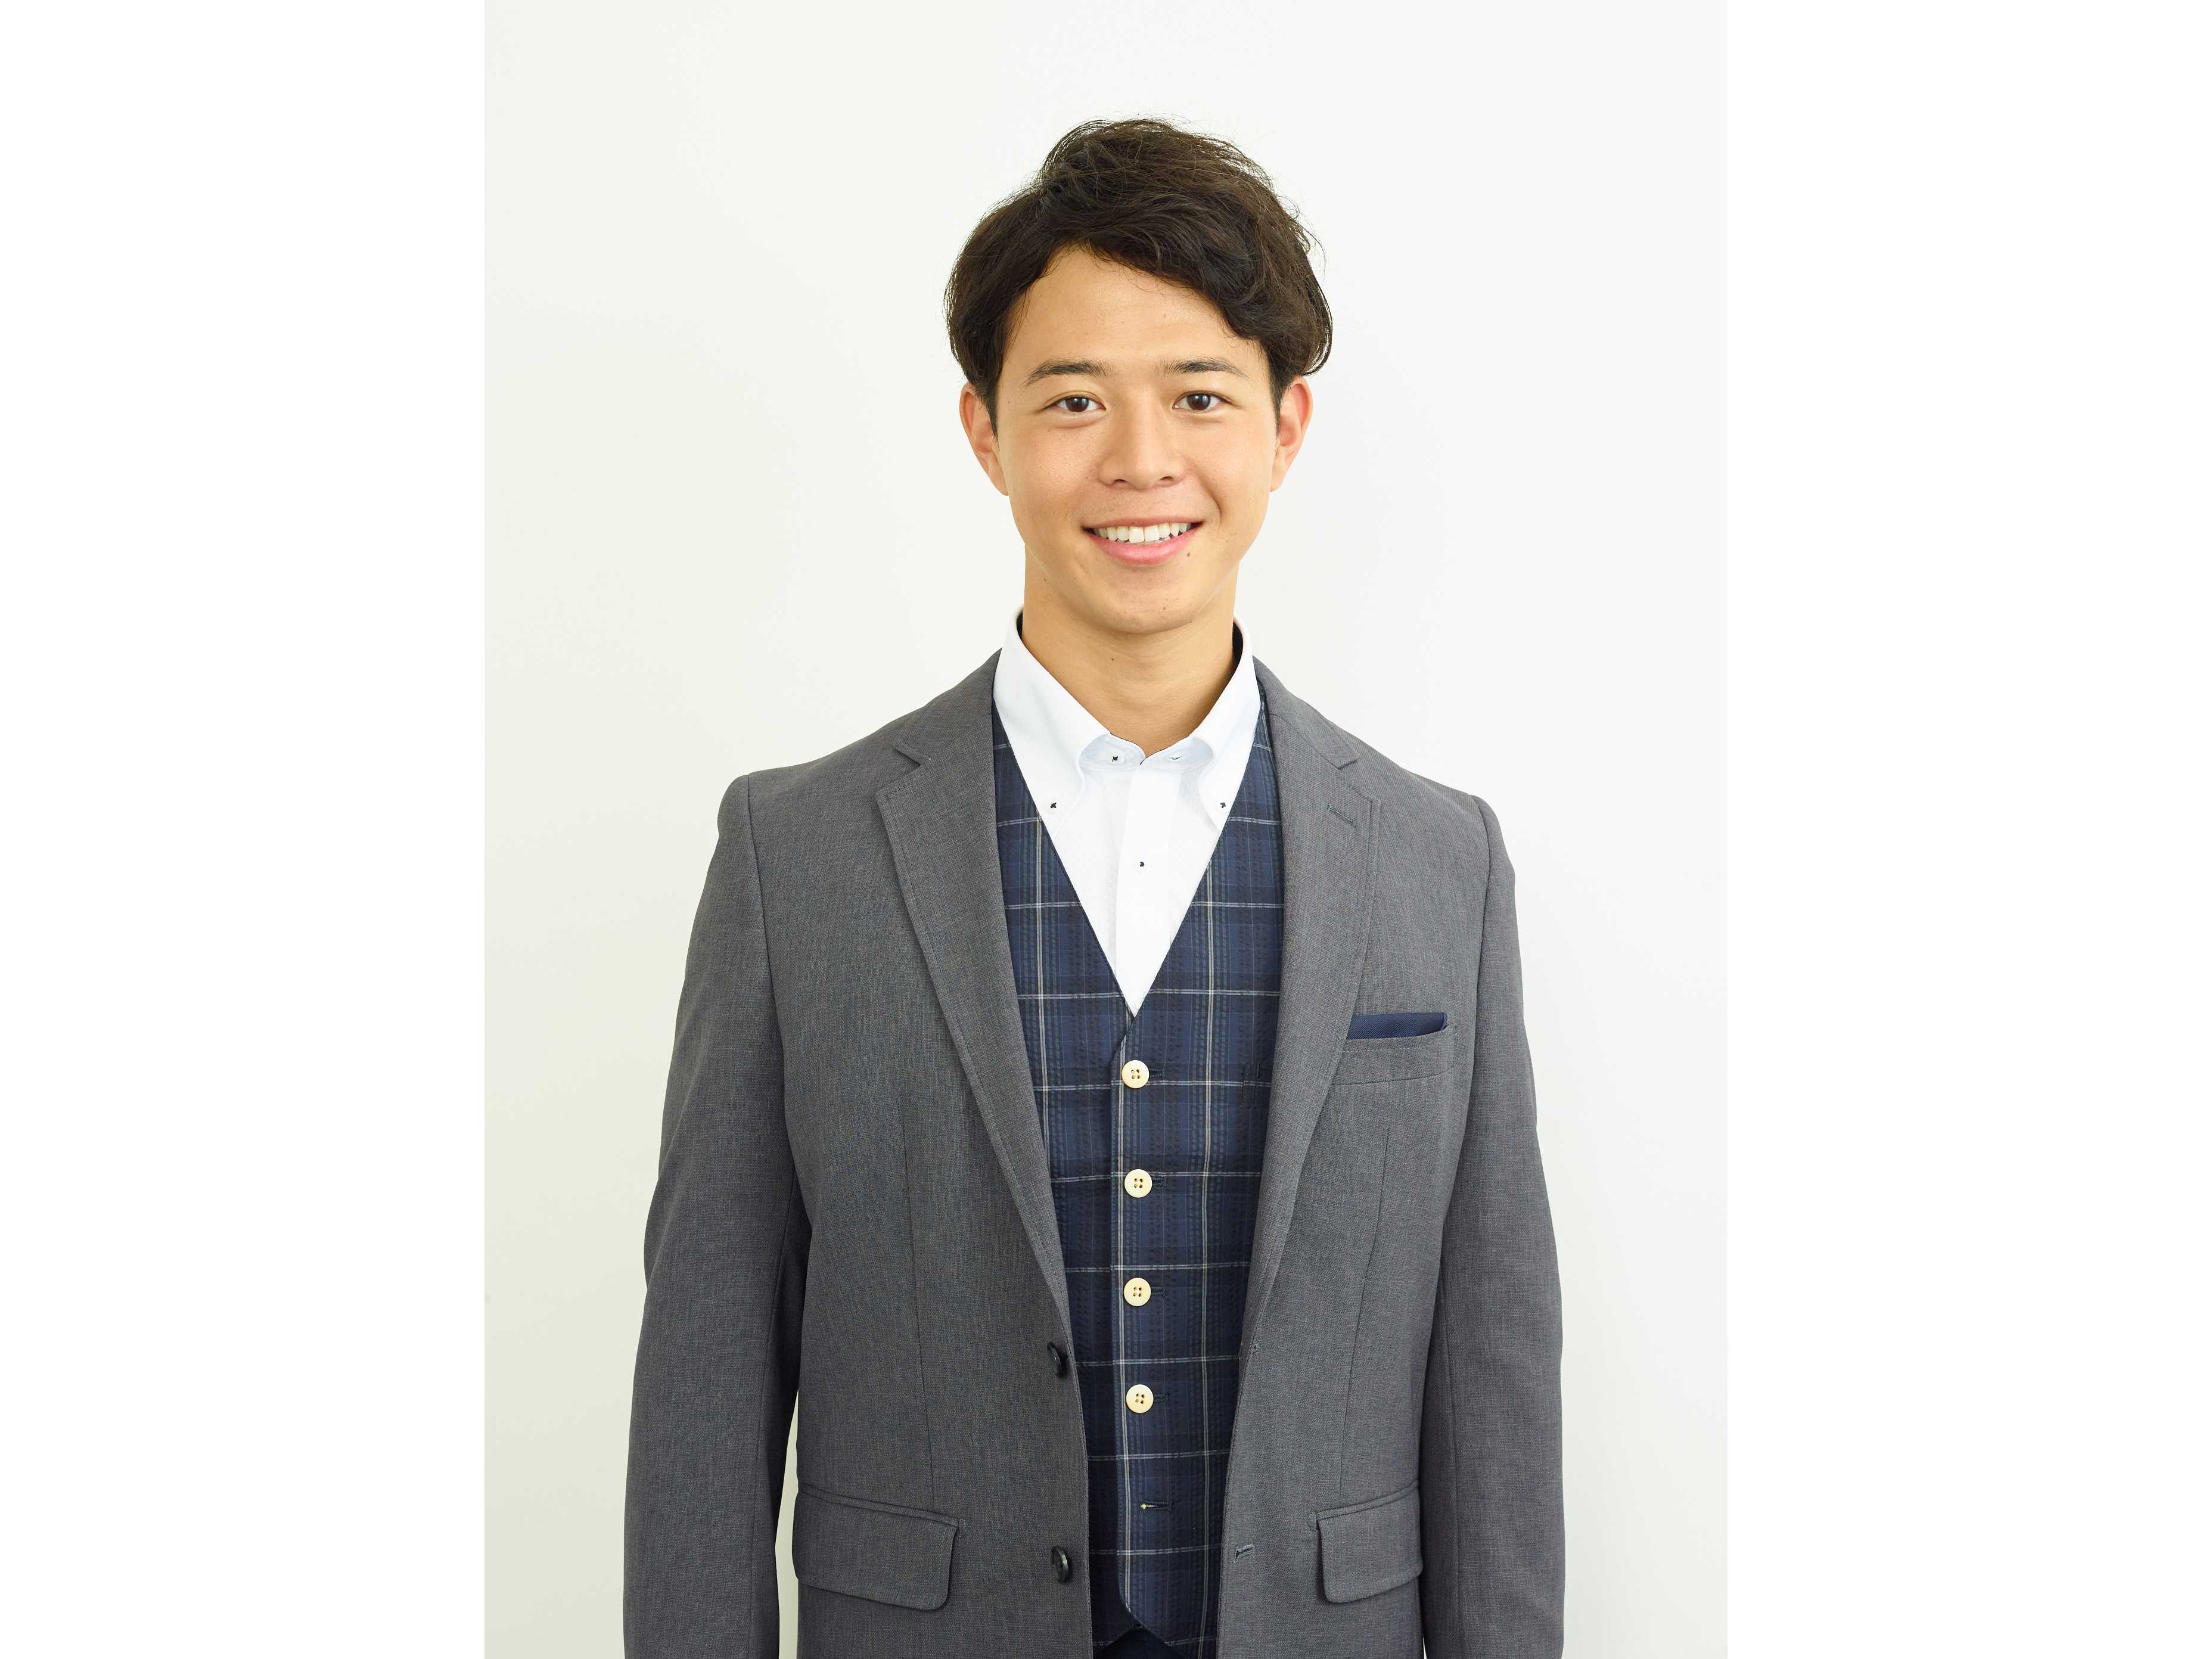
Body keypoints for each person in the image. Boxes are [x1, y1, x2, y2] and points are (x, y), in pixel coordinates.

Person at [624, 116, 1563, 1659]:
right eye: (1072, 400)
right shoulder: (798, 856)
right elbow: (705, 1378)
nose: (1140, 460)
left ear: (1285, 428)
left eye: (1200, 395)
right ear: (985, 431)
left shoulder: (1436, 860)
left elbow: (1497, 1383)